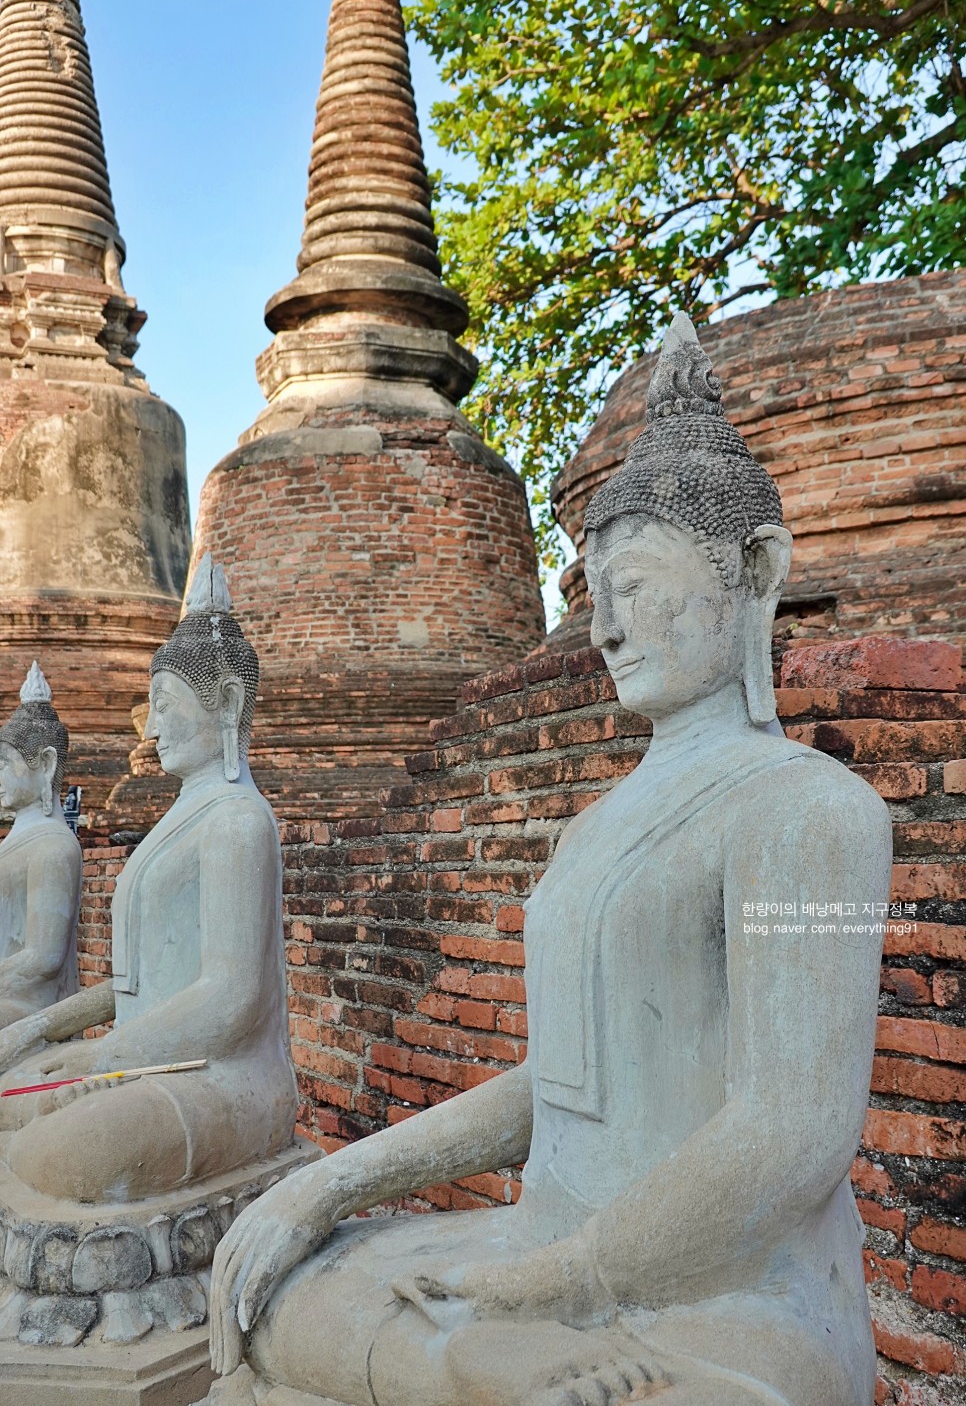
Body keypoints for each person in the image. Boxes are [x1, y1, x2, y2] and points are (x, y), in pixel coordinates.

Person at [203, 316, 891, 1406]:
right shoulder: (595, 827)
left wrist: (561, 1284)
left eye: (643, 583)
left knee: (519, 1375)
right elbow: (560, 1088)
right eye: (593, 588)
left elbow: (794, 1133)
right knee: (277, 1293)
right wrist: (327, 1185)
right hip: (549, 1254)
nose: (606, 626)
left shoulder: (813, 812)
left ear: (755, 569)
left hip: (727, 1297)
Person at [0, 557, 298, 1205]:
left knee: (50, 1157)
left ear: (228, 703)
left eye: (163, 705)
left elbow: (231, 997)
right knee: (9, 1112)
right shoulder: (181, 818)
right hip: (154, 1057)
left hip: (228, 1079)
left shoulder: (238, 822)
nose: (151, 726)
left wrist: (100, 1058)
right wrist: (43, 1030)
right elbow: (139, 983)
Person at [0, 663, 81, 1030]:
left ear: (45, 764)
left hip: (34, 1009)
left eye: (5, 765)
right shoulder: (18, 842)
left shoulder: (53, 847)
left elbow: (44, 956)